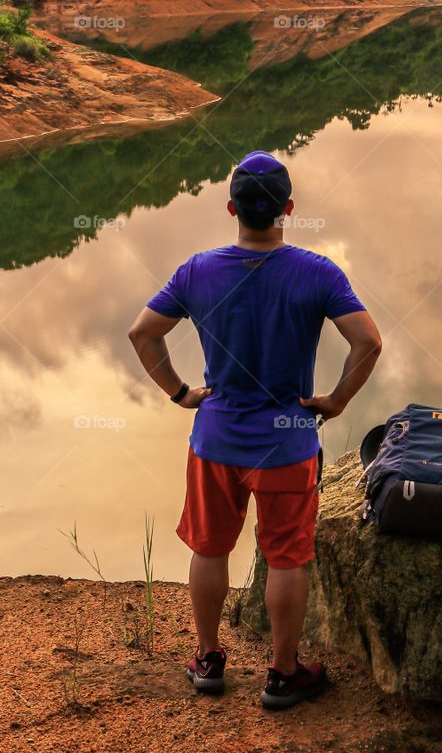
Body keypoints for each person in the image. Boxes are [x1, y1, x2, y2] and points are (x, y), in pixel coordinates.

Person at [128, 150, 382, 709]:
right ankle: (283, 674)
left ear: (231, 208)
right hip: (288, 440)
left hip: (215, 438)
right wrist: (336, 400)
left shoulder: (197, 270)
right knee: (288, 557)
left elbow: (143, 333)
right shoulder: (318, 272)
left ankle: (210, 658)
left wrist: (180, 394)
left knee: (210, 549)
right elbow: (369, 342)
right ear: (287, 208)